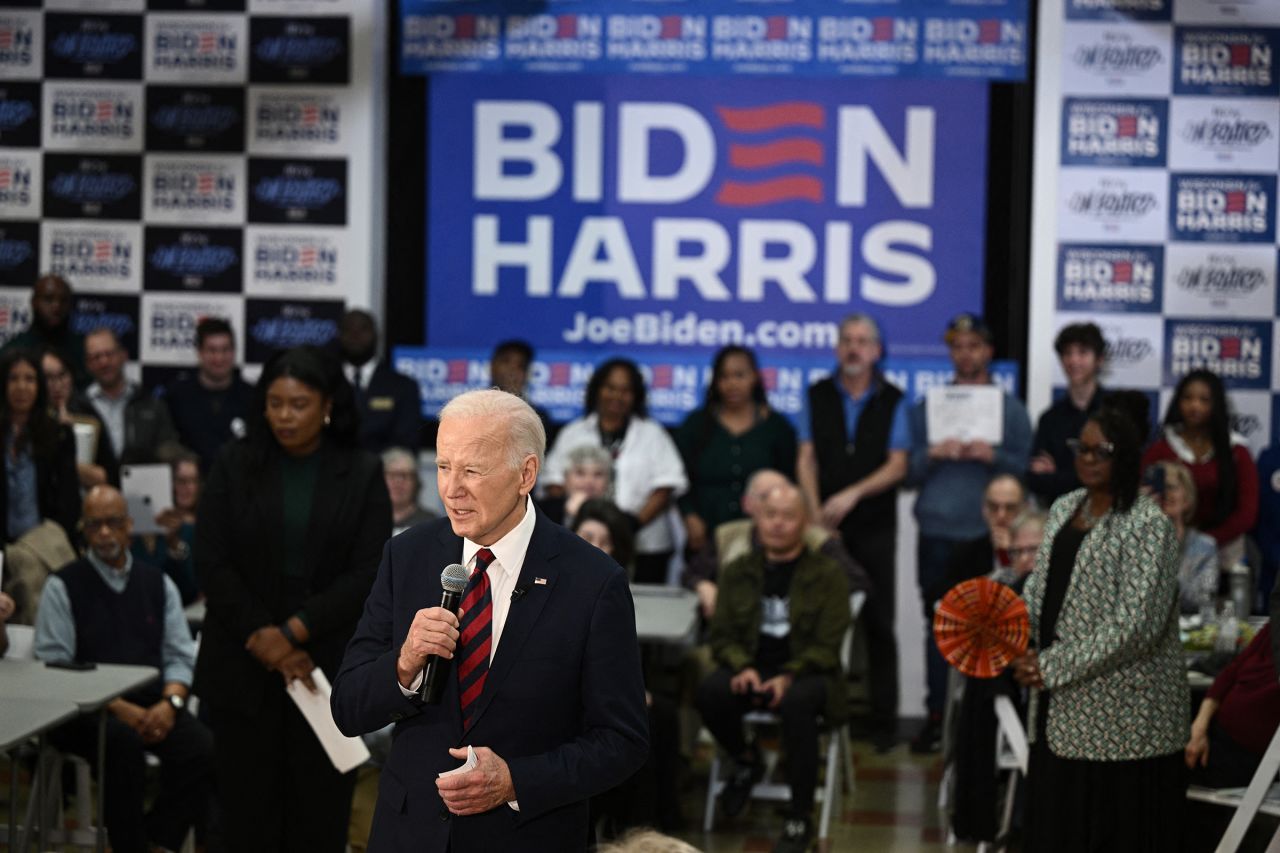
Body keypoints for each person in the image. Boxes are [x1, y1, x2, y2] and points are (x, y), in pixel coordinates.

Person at [331, 389, 649, 853]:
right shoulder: (407, 555)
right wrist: (403, 666)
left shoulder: (593, 581)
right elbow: (347, 707)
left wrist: (515, 780)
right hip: (410, 834)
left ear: (526, 474)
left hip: (527, 838)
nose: (451, 489)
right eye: (442, 467)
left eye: (472, 470)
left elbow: (622, 741)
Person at [195, 346, 392, 852]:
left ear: (327, 404)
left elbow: (370, 570)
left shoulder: (363, 471)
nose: (284, 415)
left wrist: (293, 633)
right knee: (244, 819)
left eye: (298, 404)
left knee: (319, 818)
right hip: (242, 664)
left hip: (324, 667)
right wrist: (264, 637)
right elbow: (211, 561)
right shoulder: (234, 463)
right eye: (274, 402)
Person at [1012, 394, 1187, 851]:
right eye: (1082, 448)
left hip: (1123, 720)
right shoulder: (1064, 506)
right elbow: (1039, 588)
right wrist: (1018, 644)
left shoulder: (1148, 526)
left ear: (1125, 457)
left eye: (1100, 451)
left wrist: (1050, 667)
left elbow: (1136, 628)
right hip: (1057, 706)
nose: (1087, 459)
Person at [34, 485, 214, 853]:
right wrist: (119, 708)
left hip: (153, 701)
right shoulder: (63, 586)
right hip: (84, 710)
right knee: (122, 743)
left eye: (113, 523)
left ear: (129, 526)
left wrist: (171, 705)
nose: (104, 533)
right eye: (95, 525)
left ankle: (155, 838)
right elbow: (56, 667)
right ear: (83, 530)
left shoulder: (157, 583)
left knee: (203, 747)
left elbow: (180, 656)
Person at [696, 483, 851, 853]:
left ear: (805, 523)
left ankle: (800, 816)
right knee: (710, 690)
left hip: (807, 674)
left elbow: (829, 647)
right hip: (752, 667)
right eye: (770, 515)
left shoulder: (828, 573)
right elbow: (722, 637)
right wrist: (742, 666)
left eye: (788, 516)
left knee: (798, 703)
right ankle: (746, 759)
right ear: (757, 520)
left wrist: (790, 673)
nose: (778, 524)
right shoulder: (738, 571)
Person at [907, 313, 1032, 752]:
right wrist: (933, 454)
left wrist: (993, 455)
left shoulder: (1010, 409)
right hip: (938, 530)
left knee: (990, 626)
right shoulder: (928, 406)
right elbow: (908, 469)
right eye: (958, 346)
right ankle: (938, 714)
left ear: (988, 351)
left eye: (974, 346)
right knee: (937, 624)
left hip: (989, 534)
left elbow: (1027, 468)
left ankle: (979, 721)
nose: (966, 354)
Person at [796, 313, 908, 751]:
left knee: (878, 621)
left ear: (878, 351)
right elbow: (806, 457)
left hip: (875, 525)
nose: (854, 348)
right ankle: (823, 716)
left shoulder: (893, 397)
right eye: (846, 340)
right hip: (823, 526)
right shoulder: (817, 394)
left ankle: (884, 721)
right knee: (818, 621)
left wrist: (851, 495)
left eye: (863, 341)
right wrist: (815, 511)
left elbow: (898, 464)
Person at [544, 358, 688, 584]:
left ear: (636, 395)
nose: (617, 396)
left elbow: (666, 485)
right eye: (610, 388)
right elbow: (553, 482)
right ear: (597, 390)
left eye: (625, 390)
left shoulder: (652, 433)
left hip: (645, 545)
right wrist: (581, 512)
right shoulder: (573, 432)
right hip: (582, 540)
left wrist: (631, 524)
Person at [682, 469, 870, 620]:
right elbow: (690, 574)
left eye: (786, 498)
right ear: (747, 504)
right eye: (766, 498)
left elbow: (858, 582)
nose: (778, 504)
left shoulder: (817, 541)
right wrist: (703, 586)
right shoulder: (727, 536)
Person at [676, 345, 797, 554]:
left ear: (755, 378)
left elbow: (790, 482)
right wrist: (689, 516)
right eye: (724, 377)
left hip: (761, 539)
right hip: (705, 537)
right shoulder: (696, 425)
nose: (732, 384)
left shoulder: (777, 427)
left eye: (740, 375)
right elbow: (679, 478)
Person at [1143, 370, 1259, 569]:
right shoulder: (1160, 450)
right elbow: (1142, 501)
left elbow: (1247, 513)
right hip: (1167, 549)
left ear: (1216, 404)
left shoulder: (1236, 451)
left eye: (1204, 399)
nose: (1195, 405)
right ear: (1178, 401)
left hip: (1224, 551)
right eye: (1188, 398)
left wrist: (1205, 541)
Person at [0, 349, 80, 623]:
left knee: (32, 576)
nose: (21, 387)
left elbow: (69, 504)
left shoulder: (58, 434)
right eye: (13, 379)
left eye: (30, 379)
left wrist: (36, 546)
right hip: (1, 546)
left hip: (42, 545)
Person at [1028, 323, 1106, 507]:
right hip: (1060, 520)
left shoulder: (1118, 413)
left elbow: (1118, 477)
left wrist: (1058, 475)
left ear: (1099, 359)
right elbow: (1036, 480)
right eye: (1067, 353)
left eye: (1082, 353)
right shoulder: (1050, 418)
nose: (1074, 361)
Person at [163, 317, 253, 473]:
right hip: (191, 489)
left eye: (225, 350)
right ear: (199, 353)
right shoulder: (176, 396)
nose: (219, 358)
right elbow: (164, 444)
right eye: (212, 350)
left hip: (240, 488)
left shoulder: (253, 397)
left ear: (234, 352)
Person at [83, 328, 182, 465]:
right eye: (96, 357)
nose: (104, 362)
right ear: (87, 364)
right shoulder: (79, 406)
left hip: (143, 482)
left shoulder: (150, 403)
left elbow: (168, 448)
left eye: (109, 354)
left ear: (123, 355)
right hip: (94, 484)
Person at [337, 309, 422, 453]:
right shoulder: (324, 382)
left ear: (377, 335)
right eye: (348, 330)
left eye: (363, 329)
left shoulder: (403, 387)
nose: (355, 336)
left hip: (383, 471)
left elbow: (407, 443)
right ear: (339, 336)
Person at [1145, 460, 1219, 615]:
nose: (1165, 494)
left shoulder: (1205, 547)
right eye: (1160, 487)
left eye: (1171, 487)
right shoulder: (1136, 544)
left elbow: (1202, 599)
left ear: (1186, 498)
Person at [132, 451, 201, 606]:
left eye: (194, 481)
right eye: (182, 481)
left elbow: (189, 589)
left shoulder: (196, 528)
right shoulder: (136, 529)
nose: (189, 488)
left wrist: (174, 544)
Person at [42, 346, 113, 487]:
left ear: (72, 377)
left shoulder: (89, 416)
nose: (57, 385)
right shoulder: (26, 418)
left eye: (62, 376)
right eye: (48, 378)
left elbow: (109, 476)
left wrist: (66, 460)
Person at [1, 274, 87, 387]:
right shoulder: (14, 350)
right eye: (48, 299)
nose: (56, 306)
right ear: (34, 303)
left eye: (63, 300)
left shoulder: (84, 349)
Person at [490, 338, 556, 444]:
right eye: (506, 361)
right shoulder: (470, 408)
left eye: (521, 366)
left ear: (527, 374)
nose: (512, 370)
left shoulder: (538, 418)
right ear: (492, 366)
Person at [539, 444, 613, 527]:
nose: (589, 481)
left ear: (608, 481)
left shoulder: (620, 519)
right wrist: (570, 517)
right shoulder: (541, 511)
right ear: (566, 478)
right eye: (580, 473)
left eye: (598, 474)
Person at [383, 446, 436, 536]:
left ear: (416, 483)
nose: (398, 482)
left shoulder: (430, 523)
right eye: (392, 475)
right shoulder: (368, 520)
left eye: (405, 475)